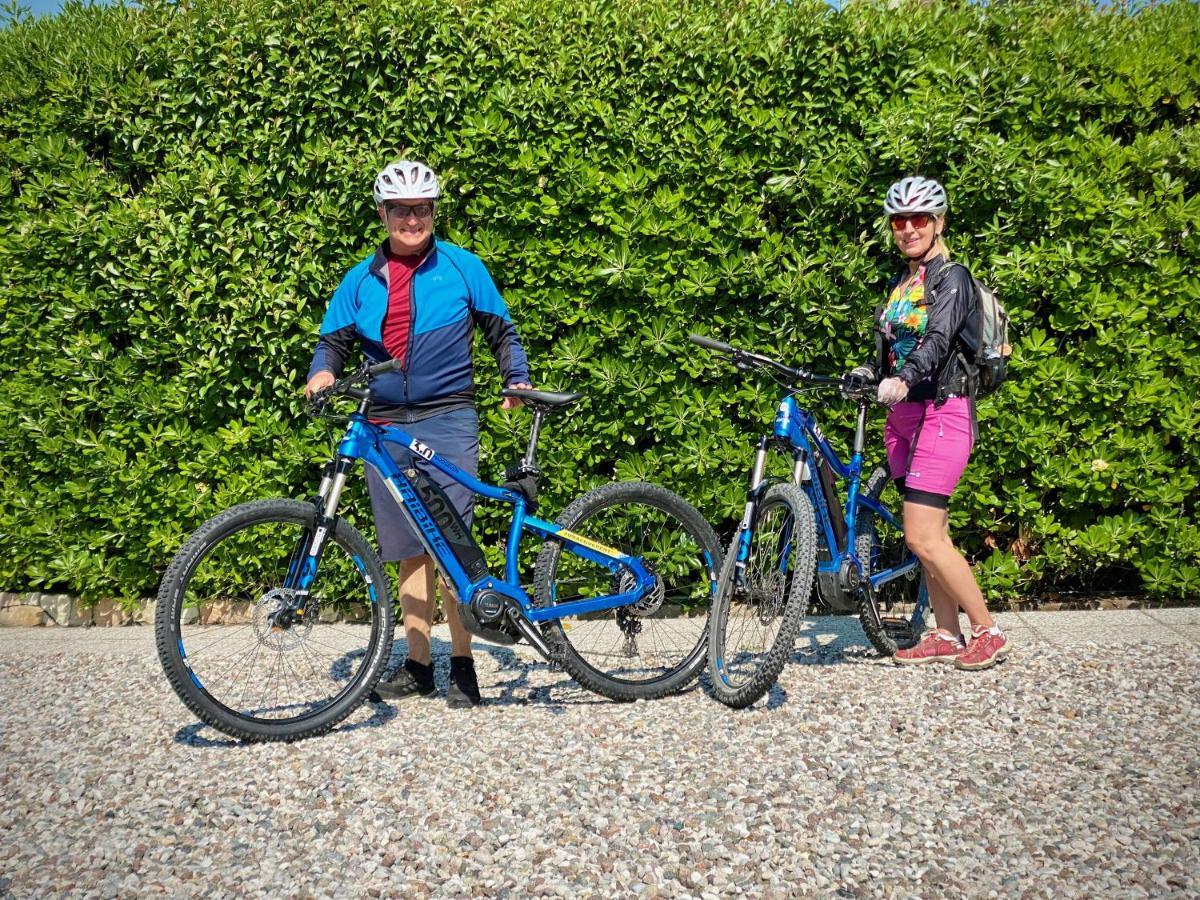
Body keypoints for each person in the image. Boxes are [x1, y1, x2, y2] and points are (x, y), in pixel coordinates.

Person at [305, 160, 533, 706]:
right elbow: (332, 343)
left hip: (449, 419)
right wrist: (321, 372)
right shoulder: (358, 279)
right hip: (382, 425)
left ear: (433, 212)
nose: (412, 219)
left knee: (452, 543)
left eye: (422, 209)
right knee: (409, 549)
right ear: (383, 213)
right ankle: (416, 664)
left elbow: (503, 331)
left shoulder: (462, 267)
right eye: (402, 210)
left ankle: (463, 666)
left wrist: (516, 376)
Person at [847, 176, 1009, 670]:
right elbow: (887, 351)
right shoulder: (901, 285)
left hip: (943, 411)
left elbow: (938, 340)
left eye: (920, 219)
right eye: (900, 221)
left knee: (921, 536)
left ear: (938, 223)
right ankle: (945, 632)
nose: (909, 228)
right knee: (931, 534)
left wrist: (907, 377)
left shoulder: (952, 277)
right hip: (902, 418)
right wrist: (868, 374)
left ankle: (988, 630)